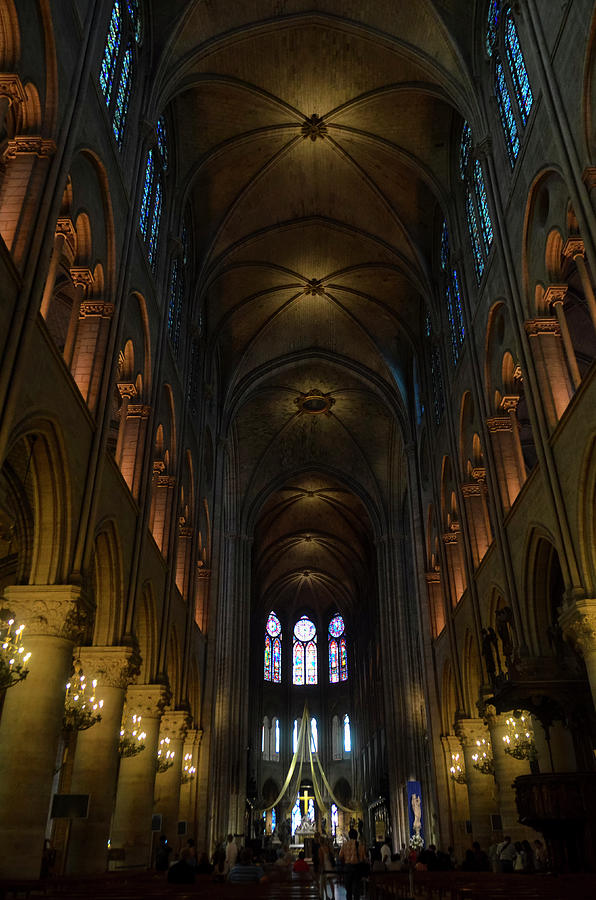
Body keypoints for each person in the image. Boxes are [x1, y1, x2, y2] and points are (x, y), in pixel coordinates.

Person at [339, 827, 367, 900]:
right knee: (356, 889)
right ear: (356, 835)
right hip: (357, 868)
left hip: (347, 868)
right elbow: (364, 858)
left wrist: (345, 863)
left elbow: (340, 856)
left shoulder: (344, 845)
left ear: (349, 836)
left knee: (348, 890)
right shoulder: (360, 845)